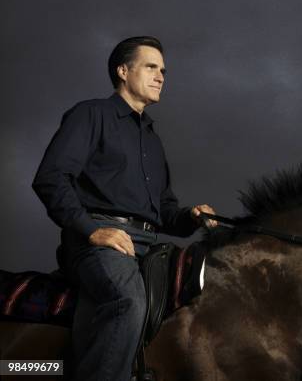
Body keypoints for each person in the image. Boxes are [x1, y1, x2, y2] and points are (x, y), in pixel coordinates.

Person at [32, 36, 217, 381]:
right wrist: (92, 230)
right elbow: (51, 178)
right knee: (127, 303)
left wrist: (191, 216)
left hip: (147, 247)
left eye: (163, 70)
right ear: (122, 71)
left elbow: (164, 211)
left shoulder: (153, 141)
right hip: (98, 242)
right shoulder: (91, 114)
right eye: (151, 67)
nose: (161, 76)